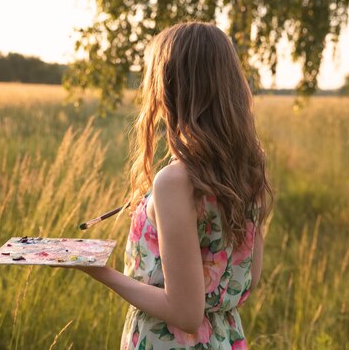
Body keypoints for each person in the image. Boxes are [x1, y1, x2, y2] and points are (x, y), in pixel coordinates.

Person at [74, 21, 273, 349]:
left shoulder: (175, 182)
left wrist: (99, 271)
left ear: (169, 88)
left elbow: (185, 313)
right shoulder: (247, 170)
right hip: (223, 338)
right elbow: (247, 279)